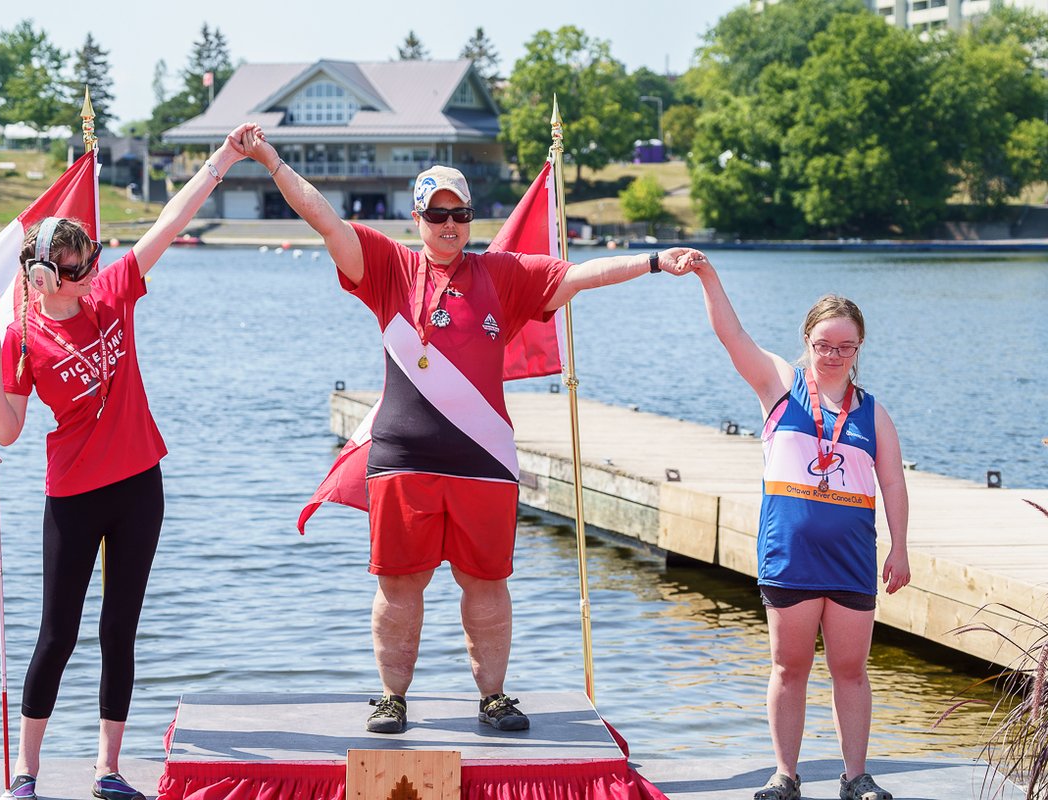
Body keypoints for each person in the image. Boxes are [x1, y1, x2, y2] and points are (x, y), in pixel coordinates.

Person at [239, 122, 706, 735]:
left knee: (486, 585)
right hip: (402, 459)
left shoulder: (505, 275)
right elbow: (325, 220)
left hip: (483, 461)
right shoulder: (388, 268)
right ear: (417, 219)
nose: (450, 225)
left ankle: (493, 698)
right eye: (437, 216)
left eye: (460, 214)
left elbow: (582, 275)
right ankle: (391, 699)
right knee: (399, 585)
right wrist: (271, 159)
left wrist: (652, 261)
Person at [0, 123, 257, 800]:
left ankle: (108, 768)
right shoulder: (20, 335)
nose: (86, 274)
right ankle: (27, 771)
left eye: (87, 261)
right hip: (72, 495)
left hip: (139, 486)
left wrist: (222, 158)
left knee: (118, 629)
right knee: (57, 634)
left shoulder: (112, 295)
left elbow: (169, 221)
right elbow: (9, 433)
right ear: (41, 273)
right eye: (72, 267)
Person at [679, 255, 911, 800]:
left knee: (851, 670)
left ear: (859, 350)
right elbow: (730, 333)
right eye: (824, 344)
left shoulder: (873, 412)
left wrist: (901, 548)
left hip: (853, 558)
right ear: (807, 341)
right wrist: (709, 277)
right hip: (790, 554)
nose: (833, 355)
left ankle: (856, 777)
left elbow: (894, 484)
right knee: (790, 667)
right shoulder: (779, 387)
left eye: (845, 347)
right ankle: (786, 775)